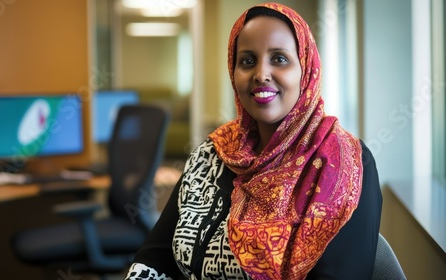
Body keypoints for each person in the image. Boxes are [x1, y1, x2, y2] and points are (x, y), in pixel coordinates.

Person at [124, 2, 382, 279]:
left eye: (279, 59)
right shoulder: (212, 153)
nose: (261, 74)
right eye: (247, 61)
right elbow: (155, 259)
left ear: (305, 69)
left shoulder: (345, 163)